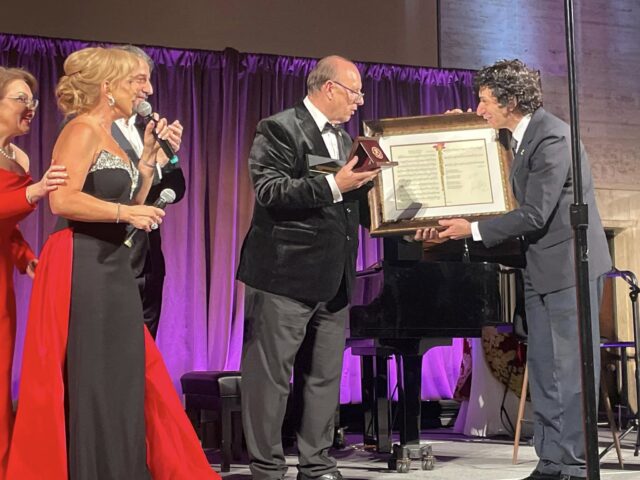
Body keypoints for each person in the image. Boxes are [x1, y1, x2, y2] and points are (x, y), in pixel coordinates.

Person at [6, 48, 218, 480]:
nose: (147, 90)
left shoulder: (112, 134)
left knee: (124, 374)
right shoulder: (80, 129)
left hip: (113, 262)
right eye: (136, 81)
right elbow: (62, 201)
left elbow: (129, 200)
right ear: (107, 87)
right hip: (82, 261)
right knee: (94, 376)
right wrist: (126, 213)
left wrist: (146, 164)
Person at [417, 59, 611, 480]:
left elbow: (535, 213)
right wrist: (461, 128)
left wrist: (471, 229)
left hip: (568, 269)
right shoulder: (520, 136)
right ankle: (551, 461)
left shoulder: (553, 136)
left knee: (570, 371)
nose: (479, 108)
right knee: (543, 369)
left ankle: (575, 464)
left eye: (485, 101)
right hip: (540, 268)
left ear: (510, 102)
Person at [236, 55, 379, 480]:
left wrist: (403, 221)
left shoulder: (345, 139)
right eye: (354, 92)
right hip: (283, 276)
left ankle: (317, 465)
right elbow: (271, 191)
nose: (359, 101)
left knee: (323, 377)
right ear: (329, 87)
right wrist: (335, 184)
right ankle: (267, 468)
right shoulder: (279, 128)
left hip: (333, 279)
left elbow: (352, 206)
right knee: (270, 378)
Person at [0, 66, 67, 480]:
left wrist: (25, 258)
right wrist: (35, 191)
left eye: (33, 100)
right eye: (20, 99)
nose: (30, 108)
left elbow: (6, 228)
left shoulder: (19, 158)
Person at [112, 45, 186, 339]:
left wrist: (165, 160)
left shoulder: (146, 128)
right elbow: (112, 190)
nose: (150, 89)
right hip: (113, 257)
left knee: (145, 353)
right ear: (114, 80)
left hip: (149, 261)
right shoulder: (95, 130)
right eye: (141, 80)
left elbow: (177, 188)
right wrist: (151, 164)